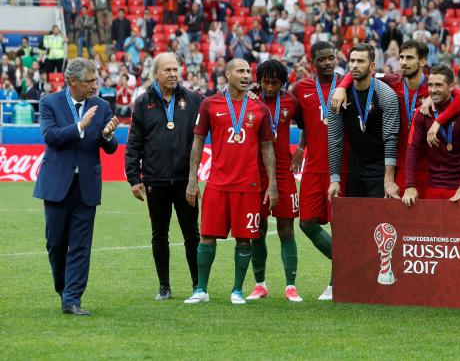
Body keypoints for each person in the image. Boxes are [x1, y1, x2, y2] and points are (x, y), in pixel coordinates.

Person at [184, 58, 277, 305]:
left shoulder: (260, 109)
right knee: (206, 235)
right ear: (228, 75)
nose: (246, 75)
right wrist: (192, 179)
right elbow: (197, 142)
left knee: (244, 238)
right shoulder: (209, 104)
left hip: (248, 185)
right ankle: (201, 290)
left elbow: (268, 147)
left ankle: (237, 290)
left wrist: (272, 183)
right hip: (217, 184)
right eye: (240, 71)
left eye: (248, 71)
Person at [33, 58, 120, 315]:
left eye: (96, 80)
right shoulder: (49, 103)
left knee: (81, 246)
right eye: (90, 81)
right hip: (57, 185)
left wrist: (107, 135)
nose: (95, 85)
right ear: (72, 81)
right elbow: (51, 137)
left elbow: (110, 147)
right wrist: (79, 127)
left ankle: (72, 299)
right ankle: (63, 289)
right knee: (56, 244)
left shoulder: (102, 105)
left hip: (87, 186)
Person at [330, 40, 460, 194]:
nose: (403, 62)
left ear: (423, 61)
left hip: (431, 167)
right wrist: (342, 87)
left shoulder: (434, 88)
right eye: (401, 57)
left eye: (409, 58)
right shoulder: (392, 81)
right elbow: (358, 70)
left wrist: (438, 120)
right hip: (402, 166)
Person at [125, 52, 202, 301]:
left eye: (176, 69)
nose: (173, 74)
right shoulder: (142, 102)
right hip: (155, 182)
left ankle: (197, 285)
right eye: (167, 70)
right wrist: (134, 178)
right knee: (160, 235)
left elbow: (220, 106)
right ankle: (164, 286)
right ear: (155, 73)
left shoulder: (192, 99)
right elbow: (134, 142)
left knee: (192, 234)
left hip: (185, 181)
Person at [246, 60, 304, 303]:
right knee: (256, 231)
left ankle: (291, 286)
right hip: (254, 174)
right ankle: (260, 285)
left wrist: (301, 148)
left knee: (286, 229)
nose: (269, 86)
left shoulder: (291, 101)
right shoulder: (248, 99)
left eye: (274, 82)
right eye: (265, 81)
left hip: (283, 172)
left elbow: (308, 125)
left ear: (282, 83)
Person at [289, 41, 343, 300]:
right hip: (313, 166)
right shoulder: (301, 89)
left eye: (331, 57)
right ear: (313, 63)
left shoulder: (347, 84)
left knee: (341, 226)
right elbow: (304, 122)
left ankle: (336, 285)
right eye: (322, 59)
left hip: (341, 169)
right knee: (307, 222)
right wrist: (300, 145)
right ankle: (347, 263)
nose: (328, 62)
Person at [327, 43, 400, 201]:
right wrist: (334, 179)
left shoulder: (386, 95)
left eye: (360, 61)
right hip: (354, 172)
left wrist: (389, 179)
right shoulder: (338, 95)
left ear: (372, 66)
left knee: (378, 224)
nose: (354, 65)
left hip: (380, 173)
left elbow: (391, 138)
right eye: (352, 61)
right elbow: (335, 138)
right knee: (355, 225)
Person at [402, 63, 460, 204]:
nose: (433, 90)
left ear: (451, 87)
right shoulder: (422, 113)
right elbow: (412, 148)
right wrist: (409, 185)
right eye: (430, 85)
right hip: (433, 185)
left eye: (438, 85)